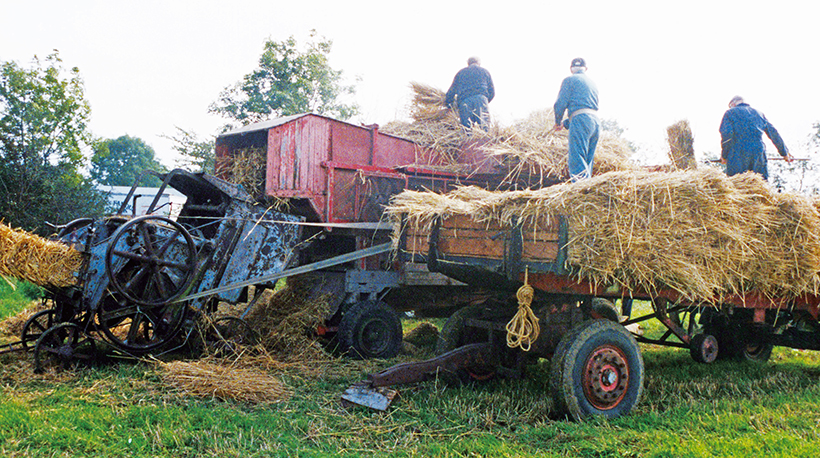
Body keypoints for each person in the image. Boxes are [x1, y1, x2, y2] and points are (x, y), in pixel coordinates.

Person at [719, 96, 793, 180]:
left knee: (737, 186)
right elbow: (773, 133)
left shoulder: (730, 113)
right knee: (760, 186)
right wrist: (784, 153)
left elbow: (727, 135)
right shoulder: (759, 114)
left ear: (732, 104)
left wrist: (724, 155)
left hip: (738, 153)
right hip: (758, 153)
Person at [553, 57, 600, 181]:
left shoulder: (569, 80)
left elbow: (560, 104)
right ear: (586, 69)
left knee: (577, 157)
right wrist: (566, 123)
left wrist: (557, 122)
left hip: (581, 120)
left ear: (571, 69)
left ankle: (580, 190)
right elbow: (585, 108)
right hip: (595, 122)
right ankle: (588, 187)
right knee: (588, 160)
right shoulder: (592, 83)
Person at [445, 56, 495, 130]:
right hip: (481, 99)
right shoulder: (485, 72)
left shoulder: (460, 73)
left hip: (465, 102)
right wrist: (485, 102)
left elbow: (450, 93)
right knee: (485, 129)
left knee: (467, 130)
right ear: (479, 63)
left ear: (468, 63)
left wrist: (450, 106)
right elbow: (492, 92)